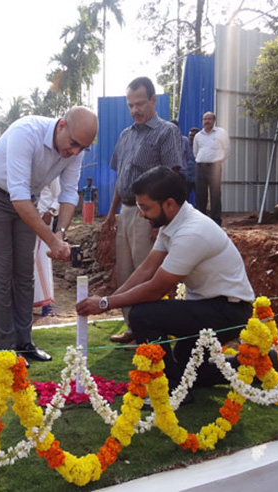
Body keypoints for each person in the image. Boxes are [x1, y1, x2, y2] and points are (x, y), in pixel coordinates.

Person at [77, 166, 254, 396]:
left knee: (143, 315)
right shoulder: (172, 222)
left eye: (145, 207)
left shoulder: (192, 232)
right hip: (207, 306)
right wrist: (107, 299)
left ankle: (172, 390)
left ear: (169, 204)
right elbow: (147, 269)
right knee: (189, 371)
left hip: (228, 311)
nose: (141, 214)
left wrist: (106, 304)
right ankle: (257, 366)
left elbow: (155, 289)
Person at [0, 106, 98, 361]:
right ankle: (5, 349)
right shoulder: (26, 132)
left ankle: (24, 342)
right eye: (73, 144)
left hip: (27, 198)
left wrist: (59, 233)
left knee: (24, 272)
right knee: (2, 271)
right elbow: (18, 195)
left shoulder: (75, 147)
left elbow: (70, 193)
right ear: (61, 126)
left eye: (82, 147)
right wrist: (51, 240)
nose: (75, 152)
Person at [103, 76, 183, 346]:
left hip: (148, 216)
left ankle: (152, 330)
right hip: (125, 213)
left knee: (145, 273)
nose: (135, 109)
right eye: (130, 105)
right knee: (126, 272)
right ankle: (133, 328)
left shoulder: (165, 131)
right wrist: (111, 214)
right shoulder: (126, 135)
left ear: (153, 100)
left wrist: (162, 222)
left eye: (140, 103)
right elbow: (121, 177)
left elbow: (172, 177)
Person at [193, 112, 230, 226]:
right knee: (200, 195)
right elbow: (195, 152)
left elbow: (227, 149)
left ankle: (216, 221)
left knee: (215, 194)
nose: (207, 121)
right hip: (200, 167)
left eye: (209, 119)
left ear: (214, 120)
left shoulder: (221, 133)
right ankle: (201, 221)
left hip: (215, 167)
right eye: (204, 119)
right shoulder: (198, 136)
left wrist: (218, 161)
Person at [34, 178, 61, 316]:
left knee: (43, 260)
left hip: (45, 221)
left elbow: (58, 195)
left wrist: (50, 212)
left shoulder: (52, 171)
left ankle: (46, 304)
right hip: (25, 217)